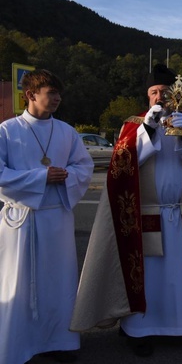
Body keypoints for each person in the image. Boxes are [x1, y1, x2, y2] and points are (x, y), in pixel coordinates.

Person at [70, 64, 182, 357]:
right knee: (147, 275)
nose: (159, 98)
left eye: (164, 92)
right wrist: (147, 130)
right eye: (154, 92)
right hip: (144, 215)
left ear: (175, 95)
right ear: (147, 96)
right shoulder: (134, 124)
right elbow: (122, 164)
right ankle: (139, 331)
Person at [0, 69, 94, 364]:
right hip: (22, 220)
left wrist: (66, 175)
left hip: (57, 222)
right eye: (50, 93)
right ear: (30, 95)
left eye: (57, 93)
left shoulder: (67, 131)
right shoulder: (6, 130)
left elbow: (85, 166)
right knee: (19, 282)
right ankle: (17, 345)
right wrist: (40, 177)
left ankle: (60, 342)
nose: (57, 99)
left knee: (59, 283)